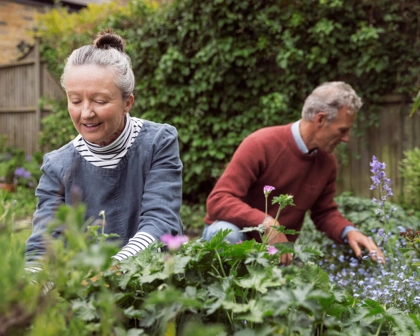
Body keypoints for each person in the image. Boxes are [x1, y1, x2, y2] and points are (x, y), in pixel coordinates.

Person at [25, 29, 183, 268]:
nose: (86, 113)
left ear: (127, 103)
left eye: (99, 101)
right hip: (84, 290)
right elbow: (44, 244)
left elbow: (160, 221)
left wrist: (111, 271)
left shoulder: (158, 142)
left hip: (154, 279)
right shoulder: (57, 165)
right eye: (75, 100)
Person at [202, 81, 384, 265]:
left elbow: (324, 212)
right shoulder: (260, 144)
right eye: (342, 130)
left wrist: (349, 232)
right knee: (226, 233)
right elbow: (219, 199)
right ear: (320, 120)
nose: (346, 138)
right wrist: (266, 223)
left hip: (275, 254)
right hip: (236, 239)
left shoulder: (326, 162)